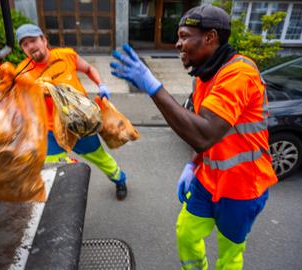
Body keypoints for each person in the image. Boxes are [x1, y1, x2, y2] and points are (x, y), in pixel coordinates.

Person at [110, 4, 278, 269]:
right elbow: (200, 132)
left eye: (185, 36)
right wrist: (193, 164)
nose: (178, 44)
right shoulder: (205, 75)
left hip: (242, 188)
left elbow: (204, 134)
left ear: (210, 38)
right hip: (207, 180)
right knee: (186, 233)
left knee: (230, 254)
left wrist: (153, 87)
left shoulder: (239, 74)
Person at [15, 24, 127, 200]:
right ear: (23, 49)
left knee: (102, 160)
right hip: (52, 130)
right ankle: (64, 196)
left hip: (80, 124)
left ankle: (119, 179)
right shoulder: (23, 71)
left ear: (43, 40)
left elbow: (89, 69)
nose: (30, 46)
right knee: (53, 165)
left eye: (33, 40)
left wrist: (101, 84)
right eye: (25, 44)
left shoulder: (66, 56)